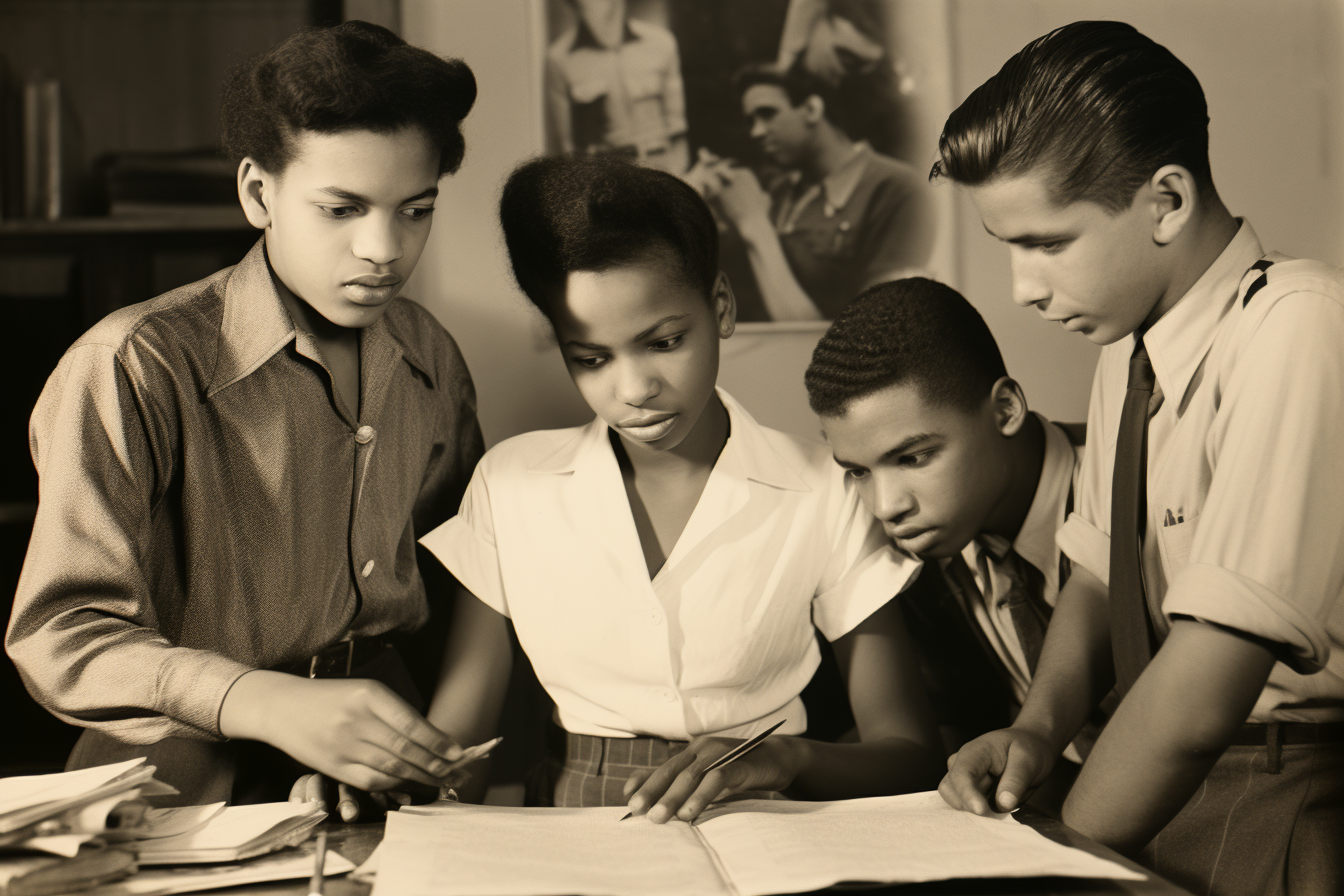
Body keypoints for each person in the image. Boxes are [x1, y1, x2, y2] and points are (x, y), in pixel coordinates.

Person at [5, 21, 484, 811]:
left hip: (375, 780)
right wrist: (265, 701)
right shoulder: (134, 364)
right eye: (342, 208)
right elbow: (63, 633)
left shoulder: (429, 355)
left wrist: (426, 755)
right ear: (259, 192)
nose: (384, 248)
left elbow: (462, 581)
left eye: (416, 209)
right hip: (173, 787)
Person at [929, 20, 1344, 895]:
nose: (1023, 288)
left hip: (1280, 779)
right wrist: (1038, 733)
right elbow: (1098, 572)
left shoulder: (1298, 323)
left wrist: (1055, 854)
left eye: (1046, 243)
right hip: (1155, 765)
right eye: (1010, 247)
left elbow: (1200, 694)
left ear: (1166, 201)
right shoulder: (1131, 346)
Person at [422, 154, 942, 820]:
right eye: (591, 358)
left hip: (774, 821)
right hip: (578, 830)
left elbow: (910, 752)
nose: (635, 390)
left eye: (665, 342)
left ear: (720, 306)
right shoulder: (511, 485)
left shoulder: (823, 487)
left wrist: (788, 759)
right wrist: (372, 790)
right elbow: (456, 754)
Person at [804, 277, 1102, 812]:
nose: (886, 505)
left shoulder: (1135, 484)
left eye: (914, 457)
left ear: (1006, 409)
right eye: (857, 472)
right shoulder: (923, 551)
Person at [688, 62, 934, 321]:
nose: (756, 132)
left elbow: (872, 337)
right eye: (751, 120)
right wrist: (691, 190)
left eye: (767, 114)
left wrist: (756, 227)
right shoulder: (778, 190)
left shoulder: (896, 189)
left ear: (812, 109)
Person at [546, 0, 690, 176]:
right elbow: (567, 148)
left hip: (662, 172)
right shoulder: (560, 59)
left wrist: (679, 180)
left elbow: (677, 129)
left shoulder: (661, 43)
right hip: (608, 178)